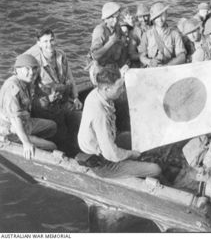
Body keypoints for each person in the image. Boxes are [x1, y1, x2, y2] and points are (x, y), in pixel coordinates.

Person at [77, 67, 161, 178]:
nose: (122, 91)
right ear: (107, 89)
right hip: (101, 161)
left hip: (107, 144)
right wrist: (130, 154)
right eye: (119, 88)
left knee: (135, 138)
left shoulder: (97, 92)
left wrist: (123, 73)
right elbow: (110, 153)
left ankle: (138, 161)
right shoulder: (100, 114)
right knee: (155, 169)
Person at [24, 28, 82, 156]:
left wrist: (76, 96)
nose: (49, 44)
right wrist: (47, 99)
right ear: (38, 43)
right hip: (46, 107)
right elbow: (29, 93)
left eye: (51, 40)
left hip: (62, 101)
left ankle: (77, 148)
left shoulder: (61, 55)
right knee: (59, 132)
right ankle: (67, 152)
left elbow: (69, 77)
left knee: (79, 119)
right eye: (45, 42)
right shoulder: (34, 64)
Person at [0, 54, 57, 159]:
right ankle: (26, 144)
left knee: (52, 126)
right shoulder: (12, 88)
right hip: (11, 130)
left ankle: (35, 141)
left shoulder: (26, 82)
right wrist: (26, 142)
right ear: (17, 70)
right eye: (27, 69)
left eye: (34, 68)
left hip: (25, 122)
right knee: (52, 146)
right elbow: (15, 120)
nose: (31, 72)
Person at [139, 2, 186, 67]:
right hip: (152, 69)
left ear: (166, 15)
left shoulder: (174, 34)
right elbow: (141, 56)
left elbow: (182, 56)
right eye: (157, 17)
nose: (160, 19)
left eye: (162, 15)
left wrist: (167, 65)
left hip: (169, 69)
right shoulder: (147, 34)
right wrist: (149, 62)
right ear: (153, 19)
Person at [89, 2, 126, 75]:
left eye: (117, 17)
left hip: (113, 65)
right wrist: (111, 42)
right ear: (105, 19)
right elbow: (95, 55)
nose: (115, 20)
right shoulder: (100, 30)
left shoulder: (117, 28)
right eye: (111, 18)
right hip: (100, 68)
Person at [128, 4, 150, 68]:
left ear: (149, 16)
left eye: (145, 16)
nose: (143, 19)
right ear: (137, 18)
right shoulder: (135, 32)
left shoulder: (154, 27)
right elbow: (132, 55)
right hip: (143, 60)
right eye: (140, 17)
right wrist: (145, 54)